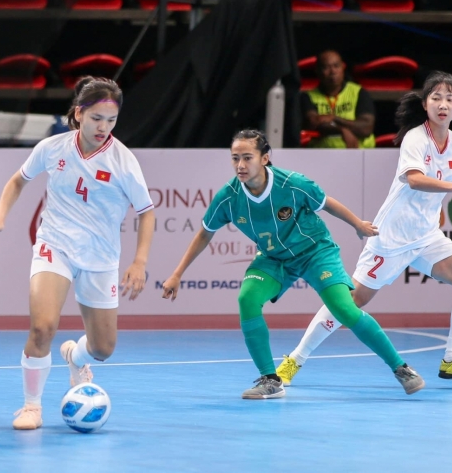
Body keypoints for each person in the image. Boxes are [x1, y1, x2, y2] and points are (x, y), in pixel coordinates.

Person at [161, 129, 424, 399]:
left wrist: (358, 225)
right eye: (235, 158)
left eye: (247, 158)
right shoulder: (228, 197)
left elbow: (327, 203)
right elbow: (205, 232)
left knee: (345, 309)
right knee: (247, 299)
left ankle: (401, 368)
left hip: (315, 252)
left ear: (265, 158)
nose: (240, 165)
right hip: (274, 258)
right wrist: (177, 273)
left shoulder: (292, 184)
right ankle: (270, 380)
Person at [277, 71, 452, 385]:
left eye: (449, 98)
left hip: (427, 235)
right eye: (436, 98)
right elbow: (415, 179)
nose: (443, 104)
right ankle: (294, 361)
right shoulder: (416, 138)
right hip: (391, 236)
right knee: (351, 301)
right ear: (425, 104)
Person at [0, 76, 155, 430]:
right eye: (96, 119)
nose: (104, 128)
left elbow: (146, 211)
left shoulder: (124, 161)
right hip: (54, 245)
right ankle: (31, 406)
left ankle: (75, 356)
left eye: (111, 121)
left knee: (104, 348)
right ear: (79, 114)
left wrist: (139, 261)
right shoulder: (53, 148)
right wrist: (0, 218)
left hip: (100, 258)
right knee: (42, 327)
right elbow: (18, 180)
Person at [302, 49, 376, 148]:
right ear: (317, 71)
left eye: (336, 66)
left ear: (343, 68)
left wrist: (333, 118)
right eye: (326, 67)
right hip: (322, 156)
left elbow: (366, 128)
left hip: (358, 155)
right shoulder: (308, 97)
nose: (332, 71)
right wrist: (341, 130)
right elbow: (314, 124)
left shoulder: (359, 93)